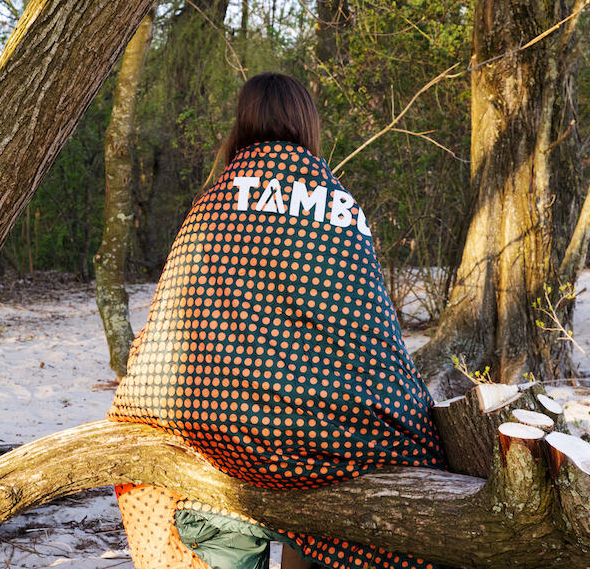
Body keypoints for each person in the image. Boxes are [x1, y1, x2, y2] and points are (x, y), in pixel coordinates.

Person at [107, 72, 450, 569]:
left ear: (241, 125)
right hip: (328, 442)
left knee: (211, 517)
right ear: (308, 124)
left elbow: (173, 322)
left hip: (219, 439)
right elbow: (374, 340)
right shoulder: (343, 209)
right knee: (332, 517)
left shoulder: (214, 204)